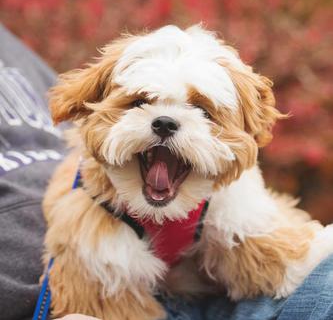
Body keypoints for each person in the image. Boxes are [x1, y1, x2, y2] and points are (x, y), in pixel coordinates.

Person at [1, 23, 333, 320]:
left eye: (201, 109)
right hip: (115, 294)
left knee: (311, 270)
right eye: (139, 103)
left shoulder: (238, 206)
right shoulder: (86, 222)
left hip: (240, 297)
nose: (164, 121)